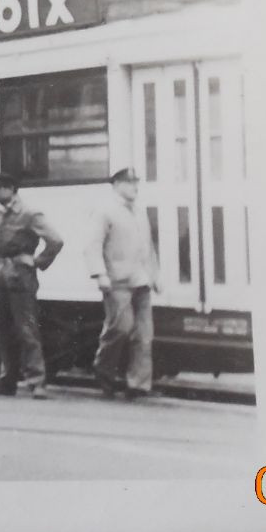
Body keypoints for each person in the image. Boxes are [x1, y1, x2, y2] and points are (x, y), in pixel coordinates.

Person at [0, 172, 64, 399]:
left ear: (12, 189)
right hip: (0, 276)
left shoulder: (29, 213)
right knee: (3, 331)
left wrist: (36, 262)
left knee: (26, 329)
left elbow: (55, 240)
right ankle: (7, 381)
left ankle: (37, 382)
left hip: (21, 277)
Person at [93, 167, 159, 399]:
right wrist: (99, 274)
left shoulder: (139, 212)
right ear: (117, 184)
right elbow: (92, 245)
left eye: (136, 182)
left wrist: (155, 276)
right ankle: (103, 370)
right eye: (130, 182)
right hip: (117, 281)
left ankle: (138, 385)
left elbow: (147, 247)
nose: (135, 186)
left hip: (141, 280)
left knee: (143, 335)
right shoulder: (105, 211)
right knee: (119, 328)